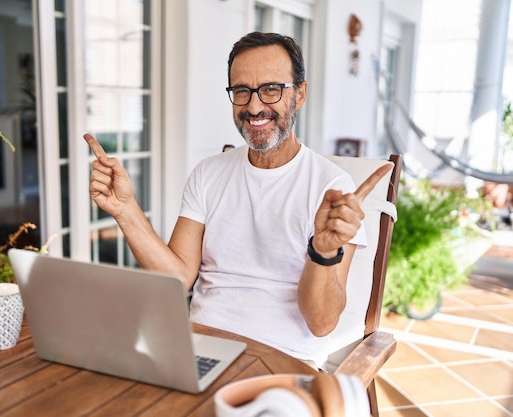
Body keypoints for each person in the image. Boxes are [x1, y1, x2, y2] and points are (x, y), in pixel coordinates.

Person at [84, 32, 392, 368]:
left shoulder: (331, 188)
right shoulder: (209, 173)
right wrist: (126, 211)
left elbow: (321, 324)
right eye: (241, 91)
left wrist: (323, 250)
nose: (254, 106)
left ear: (300, 93)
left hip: (283, 361)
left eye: (271, 89)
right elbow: (177, 279)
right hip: (198, 348)